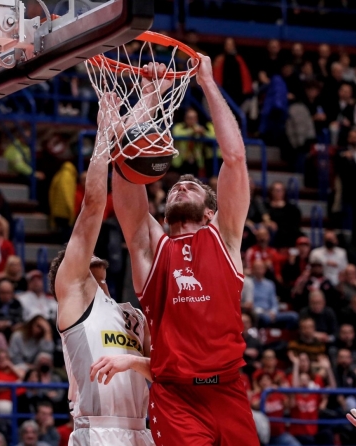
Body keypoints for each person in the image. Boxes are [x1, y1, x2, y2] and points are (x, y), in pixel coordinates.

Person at [112, 57, 258, 444]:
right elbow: (124, 165)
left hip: (228, 389)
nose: (181, 185)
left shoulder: (225, 236)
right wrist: (151, 97)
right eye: (177, 186)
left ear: (210, 212)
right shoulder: (150, 246)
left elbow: (235, 158)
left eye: (192, 186)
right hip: (175, 396)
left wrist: (208, 82)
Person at [48, 103, 154, 445]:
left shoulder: (135, 316)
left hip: (142, 431)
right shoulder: (74, 296)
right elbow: (93, 205)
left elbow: (165, 373)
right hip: (96, 430)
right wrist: (104, 135)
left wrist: (148, 102)